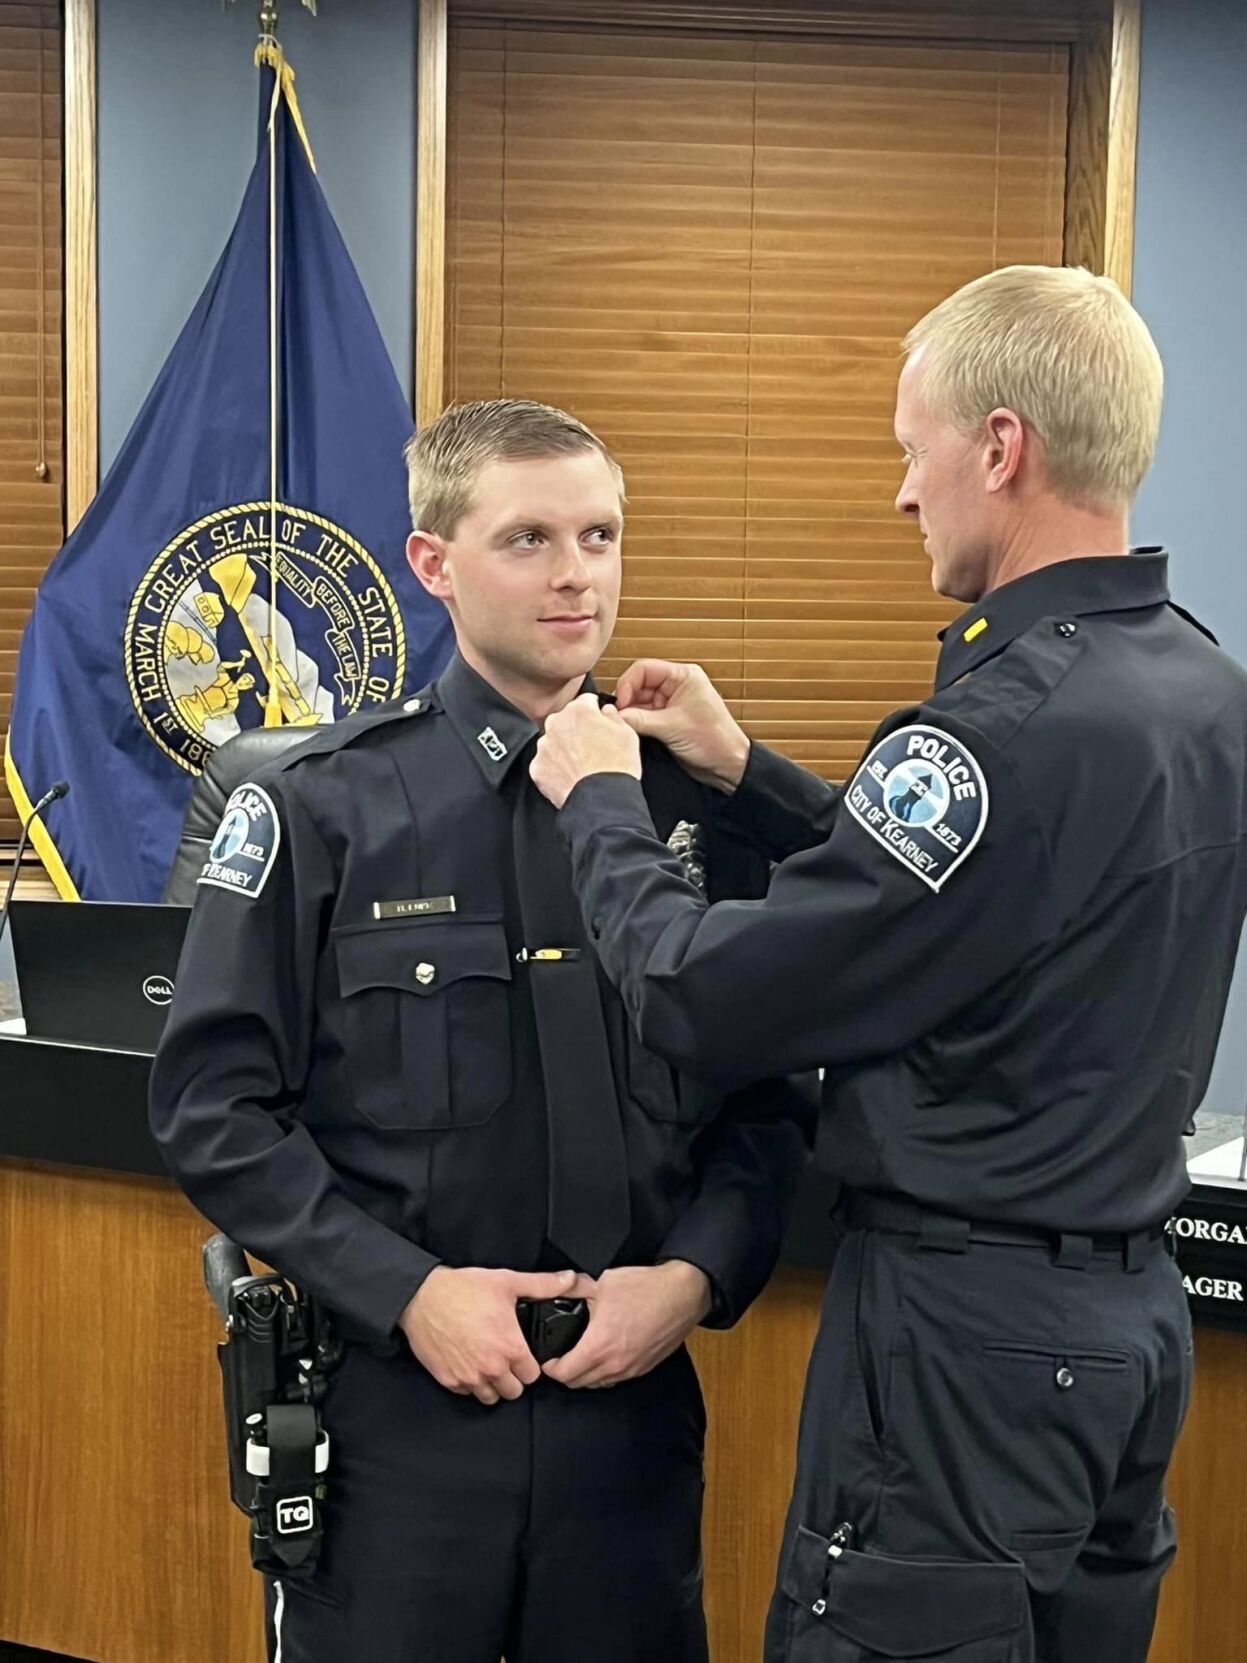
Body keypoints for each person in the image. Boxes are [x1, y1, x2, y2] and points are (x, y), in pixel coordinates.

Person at [530, 265, 1247, 1663]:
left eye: (910, 449)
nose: (901, 493)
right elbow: (985, 905)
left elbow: (700, 994)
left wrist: (601, 805)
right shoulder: (1193, 683)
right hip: (1119, 1328)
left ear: (997, 447)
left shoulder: (995, 723)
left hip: (958, 1349)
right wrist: (746, 777)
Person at [149, 398, 810, 1663]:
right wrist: (411, 1295)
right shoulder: (318, 804)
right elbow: (213, 1110)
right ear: (433, 562)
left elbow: (769, 1098)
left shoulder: (688, 798)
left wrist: (690, 1281)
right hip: (400, 1412)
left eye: (601, 534)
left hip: (628, 1411)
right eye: (529, 539)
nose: (577, 574)